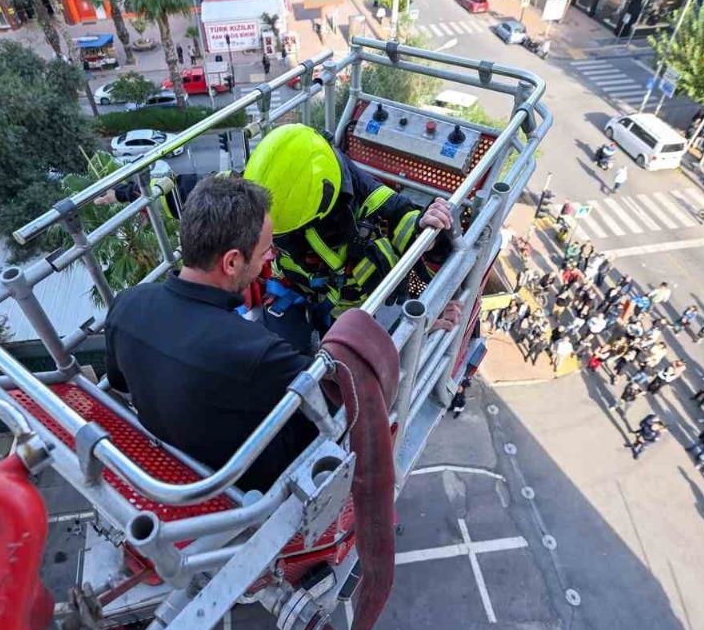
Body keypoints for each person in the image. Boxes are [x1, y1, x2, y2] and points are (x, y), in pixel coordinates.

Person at [103, 175, 311, 492]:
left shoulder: (127, 304)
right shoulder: (258, 352)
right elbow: (331, 405)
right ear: (232, 261)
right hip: (253, 484)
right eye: (266, 251)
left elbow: (120, 384)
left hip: (174, 457)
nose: (271, 258)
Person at [244, 124, 453, 353]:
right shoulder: (279, 193)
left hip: (360, 315)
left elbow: (406, 222)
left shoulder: (368, 200)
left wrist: (428, 235)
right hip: (295, 294)